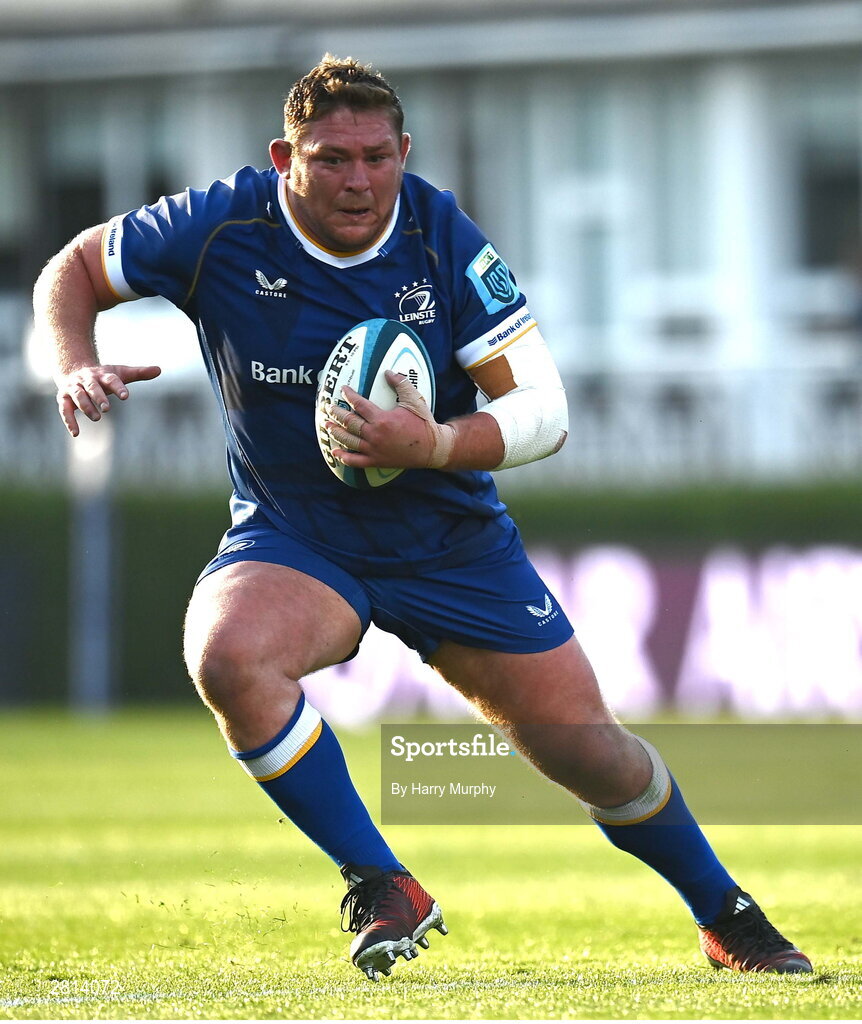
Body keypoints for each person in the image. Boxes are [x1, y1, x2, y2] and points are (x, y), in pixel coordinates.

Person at [36, 54, 811, 981]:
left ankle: (726, 913)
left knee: (592, 755)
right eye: (331, 159)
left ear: (404, 152)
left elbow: (545, 411)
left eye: (376, 157)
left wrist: (433, 443)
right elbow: (74, 267)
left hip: (450, 542)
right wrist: (73, 361)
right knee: (229, 655)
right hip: (297, 536)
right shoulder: (220, 225)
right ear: (285, 158)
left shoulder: (443, 238)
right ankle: (382, 881)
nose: (358, 180)